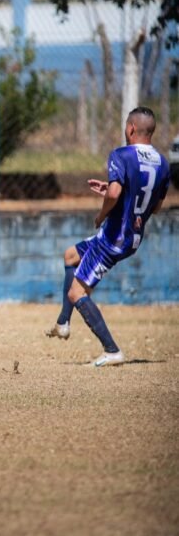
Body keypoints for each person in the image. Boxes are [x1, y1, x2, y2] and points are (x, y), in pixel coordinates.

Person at [46, 106, 169, 366]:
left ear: (131, 128)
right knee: (71, 256)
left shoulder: (121, 154)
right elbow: (156, 206)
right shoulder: (163, 163)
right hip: (132, 236)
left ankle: (112, 350)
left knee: (77, 293)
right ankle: (63, 322)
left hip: (114, 237)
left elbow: (113, 194)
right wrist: (120, 195)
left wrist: (102, 215)